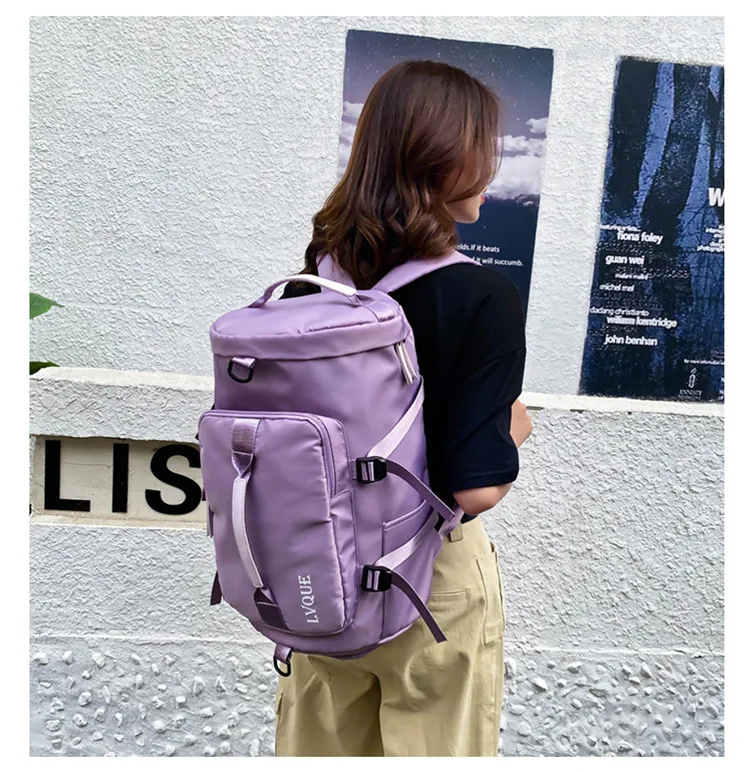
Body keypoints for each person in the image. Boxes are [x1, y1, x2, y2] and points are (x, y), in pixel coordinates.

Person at [274, 59, 532, 757]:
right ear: (442, 159)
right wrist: (513, 429)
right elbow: (474, 488)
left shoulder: (309, 288)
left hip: (320, 572)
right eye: (482, 150)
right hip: (429, 583)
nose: (492, 169)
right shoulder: (483, 297)